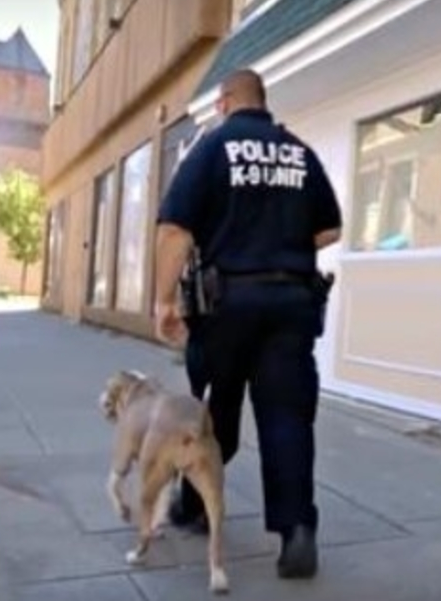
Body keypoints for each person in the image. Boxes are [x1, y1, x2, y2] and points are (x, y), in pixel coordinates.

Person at [152, 68, 342, 579]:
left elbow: (174, 230)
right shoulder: (298, 152)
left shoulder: (213, 148)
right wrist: (282, 240)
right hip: (291, 302)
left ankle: (194, 505)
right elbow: (329, 230)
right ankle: (297, 533)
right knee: (287, 418)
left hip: (227, 304)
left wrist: (164, 301)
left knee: (216, 411)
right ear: (262, 100)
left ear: (225, 102)